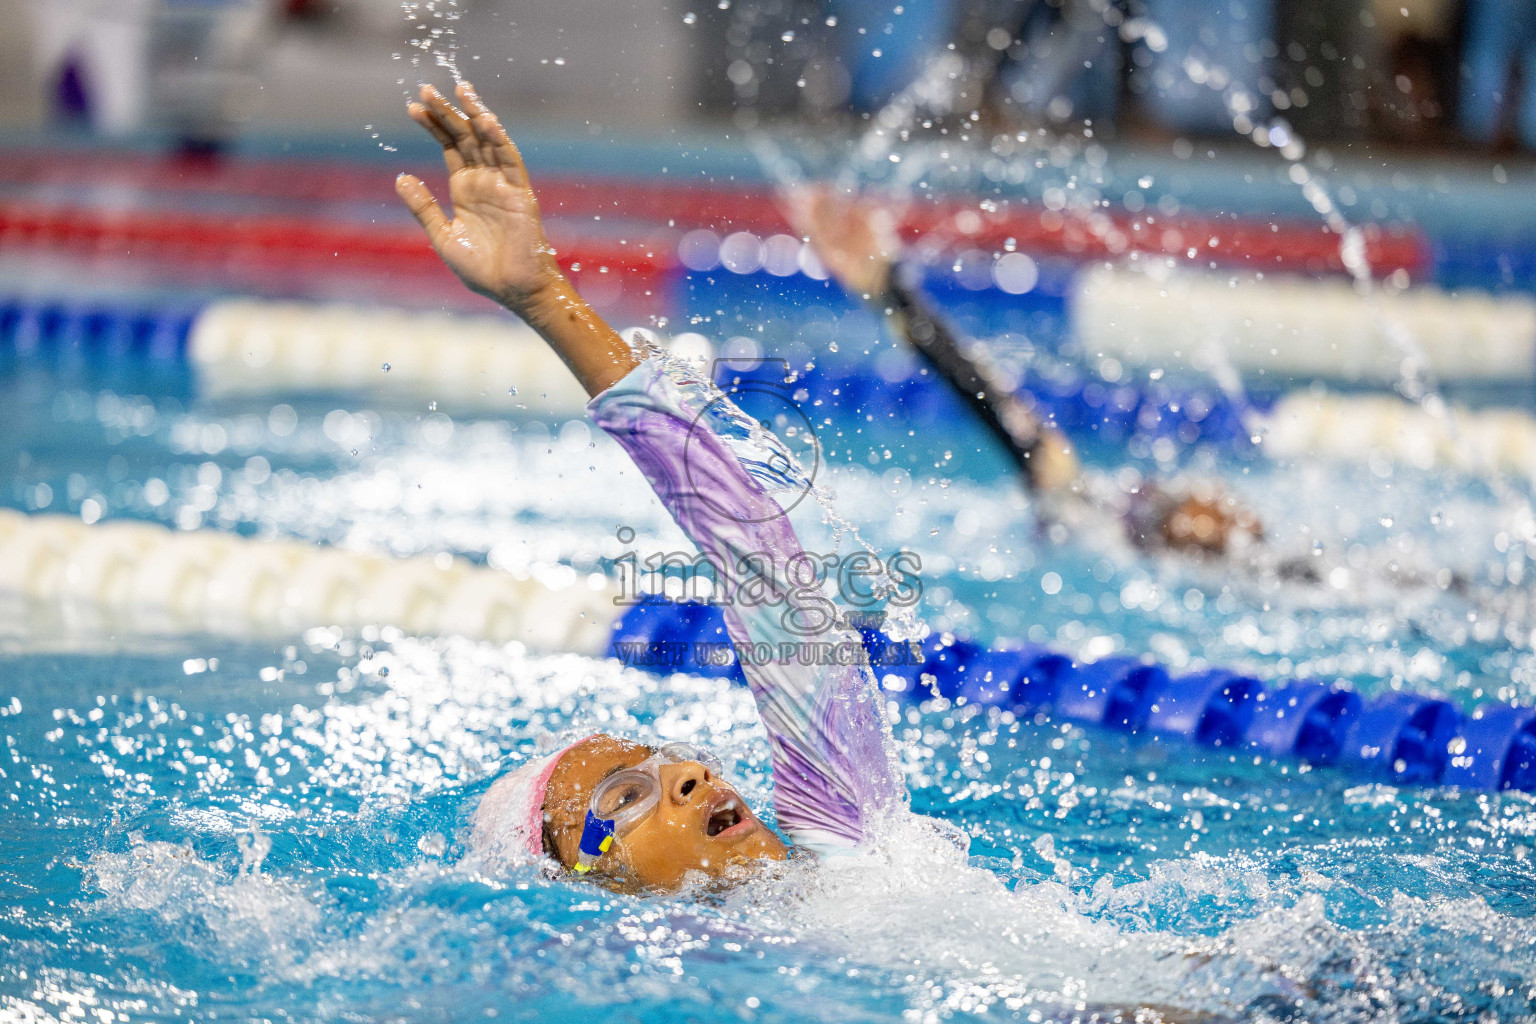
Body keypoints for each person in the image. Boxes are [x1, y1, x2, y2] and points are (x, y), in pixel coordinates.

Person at [395, 82, 906, 893]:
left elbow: (755, 539)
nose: (694, 777)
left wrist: (544, 296)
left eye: (669, 764)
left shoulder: (854, 847)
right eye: (628, 796)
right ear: (595, 877)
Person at [788, 186, 1264, 559]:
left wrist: (890, 288)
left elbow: (993, 405)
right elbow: (996, 408)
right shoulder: (1095, 515)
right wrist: (890, 288)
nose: (1218, 494)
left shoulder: (1091, 518)